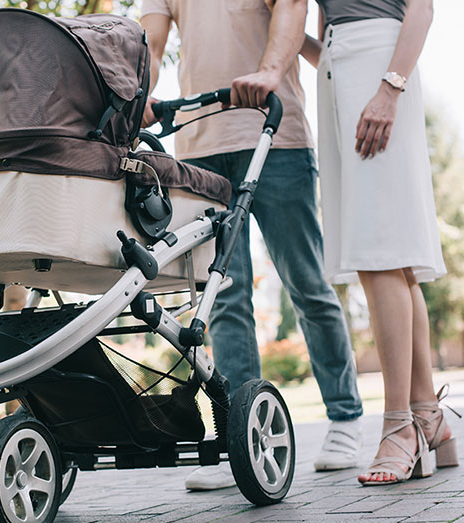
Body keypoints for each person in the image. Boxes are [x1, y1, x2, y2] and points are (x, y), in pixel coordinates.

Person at [140, 0, 364, 490]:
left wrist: (267, 71)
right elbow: (151, 45)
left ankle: (346, 418)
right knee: (223, 295)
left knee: (306, 281)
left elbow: (290, 10)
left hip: (274, 134)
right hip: (200, 147)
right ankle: (243, 440)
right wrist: (142, 92)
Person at [299, 0, 456, 485]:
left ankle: (399, 427)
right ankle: (428, 417)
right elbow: (325, 36)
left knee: (379, 249)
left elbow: (422, 9)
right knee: (392, 257)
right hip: (338, 74)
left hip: (382, 70)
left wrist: (390, 88)